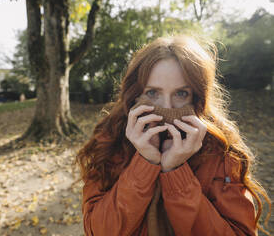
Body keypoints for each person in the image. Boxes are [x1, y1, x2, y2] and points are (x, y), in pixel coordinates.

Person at [77, 36, 271, 236]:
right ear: (135, 94)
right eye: (153, 93)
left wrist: (176, 173)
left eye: (181, 94)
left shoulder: (221, 152)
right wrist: (144, 163)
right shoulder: (111, 142)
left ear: (198, 97)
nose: (167, 108)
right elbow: (100, 231)